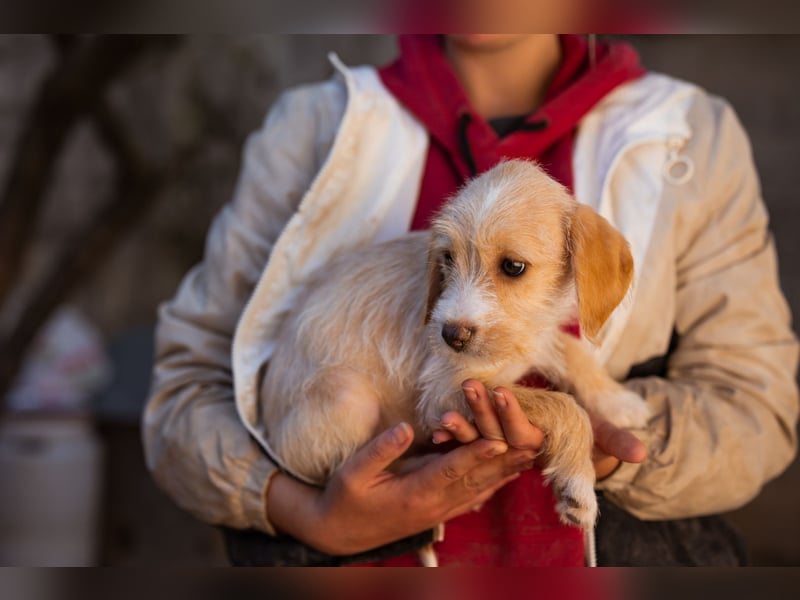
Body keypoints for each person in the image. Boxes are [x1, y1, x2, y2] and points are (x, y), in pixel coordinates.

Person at [142, 34, 799, 566]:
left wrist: (601, 441)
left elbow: (757, 409)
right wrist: (303, 513)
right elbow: (185, 393)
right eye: (450, 262)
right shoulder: (309, 127)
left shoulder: (694, 133)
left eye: (511, 267)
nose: (457, 313)